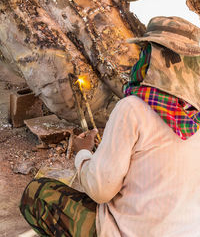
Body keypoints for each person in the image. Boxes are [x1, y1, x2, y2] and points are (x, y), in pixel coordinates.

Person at [20, 16, 200, 237]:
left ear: (151, 59)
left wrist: (82, 154)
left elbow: (100, 191)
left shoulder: (133, 108)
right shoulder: (195, 117)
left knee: (38, 193)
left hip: (130, 232)